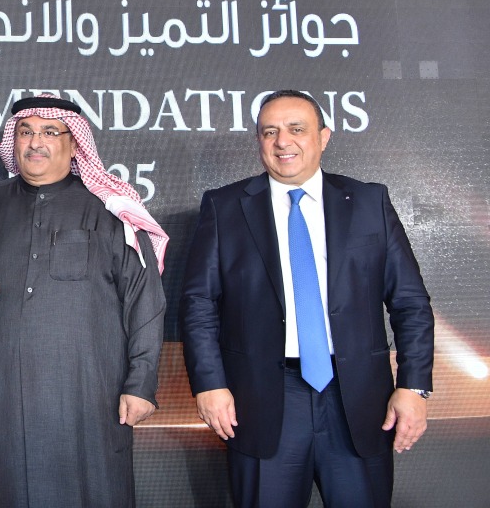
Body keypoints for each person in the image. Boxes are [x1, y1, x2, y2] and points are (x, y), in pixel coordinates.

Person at [180, 89, 435, 508]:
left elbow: (410, 303)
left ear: (324, 136)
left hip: (359, 402)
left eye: (297, 129)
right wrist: (210, 384)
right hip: (261, 402)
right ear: (259, 140)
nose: (283, 142)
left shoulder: (370, 202)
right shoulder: (224, 207)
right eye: (270, 132)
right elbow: (198, 305)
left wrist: (413, 386)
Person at [0, 94, 168, 508]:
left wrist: (140, 383)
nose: (35, 142)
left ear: (75, 144)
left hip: (91, 390)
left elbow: (145, 299)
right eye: (25, 131)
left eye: (50, 131)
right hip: (5, 391)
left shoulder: (112, 207)